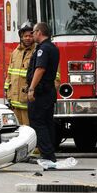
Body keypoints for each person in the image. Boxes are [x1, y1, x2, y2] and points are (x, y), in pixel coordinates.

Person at [26, 22, 60, 163]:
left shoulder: (43, 49)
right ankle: (50, 152)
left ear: (39, 32)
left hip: (40, 92)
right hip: (49, 91)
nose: (32, 35)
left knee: (38, 122)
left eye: (33, 32)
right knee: (47, 122)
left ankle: (47, 155)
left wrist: (32, 88)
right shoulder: (53, 48)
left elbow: (40, 69)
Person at [4, 22, 35, 126]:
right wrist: (7, 93)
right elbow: (9, 74)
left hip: (28, 102)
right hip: (14, 101)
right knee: (17, 131)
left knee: (29, 130)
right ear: (21, 37)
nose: (28, 38)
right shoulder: (15, 52)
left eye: (31, 35)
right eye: (25, 36)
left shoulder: (37, 52)